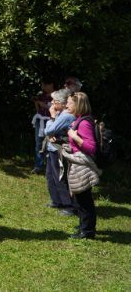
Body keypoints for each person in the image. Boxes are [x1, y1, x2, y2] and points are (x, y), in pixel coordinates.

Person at [63, 92, 100, 239]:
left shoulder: (84, 123)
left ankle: (87, 231)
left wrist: (74, 136)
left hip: (83, 165)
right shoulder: (79, 120)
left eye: (69, 103)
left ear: (78, 104)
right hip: (78, 162)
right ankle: (83, 226)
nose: (66, 105)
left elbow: (91, 147)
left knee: (84, 199)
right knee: (79, 198)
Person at [44, 89, 76, 216]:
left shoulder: (66, 116)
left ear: (62, 103)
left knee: (60, 176)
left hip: (59, 149)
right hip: (53, 148)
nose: (52, 103)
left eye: (54, 101)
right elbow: (50, 131)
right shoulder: (61, 114)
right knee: (50, 175)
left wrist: (51, 117)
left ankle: (69, 205)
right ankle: (56, 200)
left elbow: (49, 130)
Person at [30, 79, 55, 174]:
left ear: (51, 84)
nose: (43, 87)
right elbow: (38, 110)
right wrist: (36, 102)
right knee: (38, 143)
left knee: (50, 143)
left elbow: (52, 108)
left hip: (51, 121)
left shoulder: (56, 96)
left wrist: (42, 104)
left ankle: (50, 166)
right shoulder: (41, 95)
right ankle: (38, 166)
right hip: (39, 120)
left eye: (45, 84)